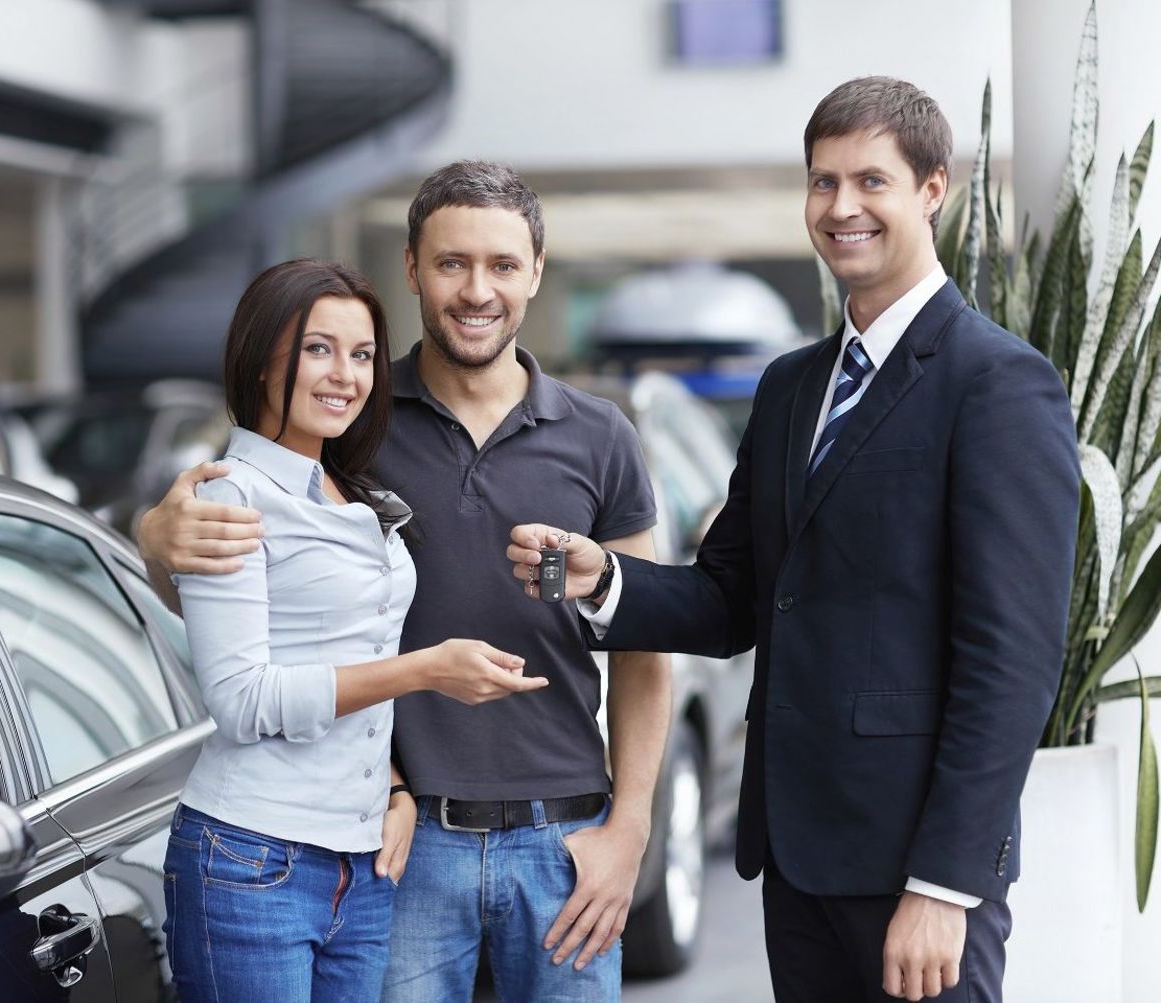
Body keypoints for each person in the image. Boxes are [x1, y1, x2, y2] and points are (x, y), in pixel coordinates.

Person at [507, 77, 1081, 1003]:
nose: (841, 206)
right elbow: (735, 595)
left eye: (871, 181)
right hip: (798, 860)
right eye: (822, 182)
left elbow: (1012, 660)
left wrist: (945, 883)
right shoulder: (789, 387)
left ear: (933, 189)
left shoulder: (999, 384)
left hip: (914, 874)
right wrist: (606, 577)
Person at [139, 163, 670, 1002]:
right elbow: (243, 592)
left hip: (565, 839)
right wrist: (157, 540)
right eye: (452, 263)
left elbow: (646, 640)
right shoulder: (351, 416)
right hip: (405, 842)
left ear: (536, 270)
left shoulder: (601, 435)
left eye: (501, 264)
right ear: (414, 270)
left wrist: (630, 828)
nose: (477, 289)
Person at [161, 258, 547, 1003]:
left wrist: (395, 785)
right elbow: (242, 699)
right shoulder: (231, 498)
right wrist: (426, 670)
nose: (345, 374)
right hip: (251, 859)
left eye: (363, 354)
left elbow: (356, 645)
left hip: (362, 861)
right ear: (261, 357)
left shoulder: (347, 485)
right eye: (318, 349)